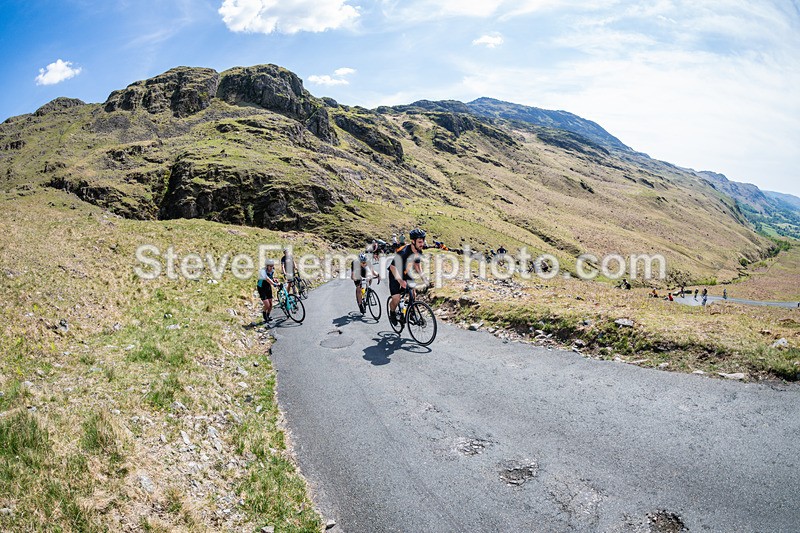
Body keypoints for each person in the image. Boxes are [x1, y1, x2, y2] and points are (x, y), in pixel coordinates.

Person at [388, 228, 426, 326]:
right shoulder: (403, 252)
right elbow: (392, 267)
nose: (422, 244)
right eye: (420, 242)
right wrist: (400, 281)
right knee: (396, 299)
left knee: (413, 293)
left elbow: (417, 265)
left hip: (406, 272)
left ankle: (411, 313)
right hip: (395, 274)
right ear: (413, 241)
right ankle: (392, 312)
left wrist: (423, 278)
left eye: (423, 241)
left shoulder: (418, 251)